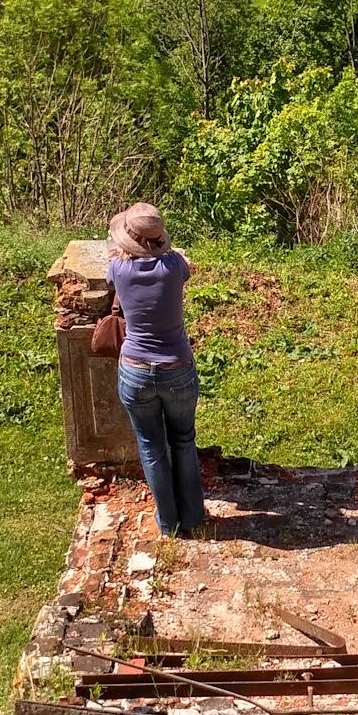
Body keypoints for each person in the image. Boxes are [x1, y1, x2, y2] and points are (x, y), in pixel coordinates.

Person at [106, 202, 208, 538]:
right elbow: (183, 267)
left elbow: (114, 264)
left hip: (135, 368)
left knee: (151, 445)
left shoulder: (118, 270)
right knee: (184, 440)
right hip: (177, 366)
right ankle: (193, 516)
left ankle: (168, 524)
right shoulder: (175, 265)